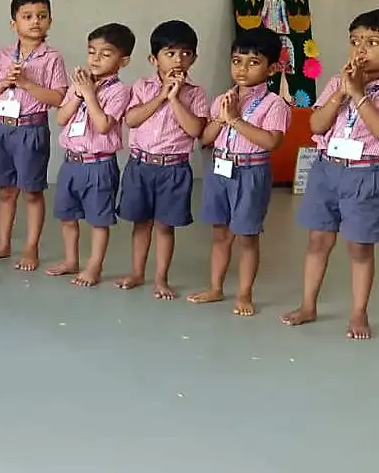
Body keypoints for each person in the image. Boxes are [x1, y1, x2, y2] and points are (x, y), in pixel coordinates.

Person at [283, 9, 379, 340]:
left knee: (359, 247)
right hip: (326, 169)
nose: (361, 50)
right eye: (355, 41)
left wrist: (358, 93)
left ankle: (359, 312)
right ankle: (308, 304)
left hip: (365, 174)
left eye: (372, 42)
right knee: (317, 240)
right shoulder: (335, 83)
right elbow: (315, 125)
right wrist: (341, 91)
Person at [189, 28, 290, 316]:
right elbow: (206, 137)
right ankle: (215, 287)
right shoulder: (223, 98)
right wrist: (222, 119)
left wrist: (235, 120)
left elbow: (271, 141)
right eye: (236, 61)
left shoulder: (275, 104)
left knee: (247, 236)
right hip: (220, 167)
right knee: (220, 234)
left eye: (253, 62)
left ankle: (244, 294)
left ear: (271, 68)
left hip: (251, 171)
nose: (243, 68)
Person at [115, 20, 208, 299]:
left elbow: (195, 130)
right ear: (153, 59)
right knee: (140, 223)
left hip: (174, 168)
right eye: (170, 53)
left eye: (185, 53)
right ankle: (136, 272)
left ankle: (160, 278)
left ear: (194, 57)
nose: (178, 60)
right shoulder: (142, 86)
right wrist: (160, 96)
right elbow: (131, 119)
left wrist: (175, 98)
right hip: (140, 165)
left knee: (165, 226)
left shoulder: (196, 93)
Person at [0, 0, 67, 271]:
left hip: (31, 129)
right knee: (6, 190)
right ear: (14, 23)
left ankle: (31, 246)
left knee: (31, 191)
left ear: (50, 21)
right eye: (27, 17)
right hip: (3, 128)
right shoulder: (2, 56)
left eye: (41, 16)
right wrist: (5, 82)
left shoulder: (52, 58)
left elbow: (60, 98)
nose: (35, 22)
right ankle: (3, 243)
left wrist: (27, 84)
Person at [47, 23, 135, 286]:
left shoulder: (119, 91)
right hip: (71, 162)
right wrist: (78, 93)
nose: (96, 58)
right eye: (91, 52)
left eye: (106, 54)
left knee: (98, 220)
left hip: (98, 165)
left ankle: (94, 267)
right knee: (67, 215)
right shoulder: (80, 85)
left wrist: (89, 94)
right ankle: (71, 260)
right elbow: (62, 118)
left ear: (124, 60)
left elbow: (103, 125)